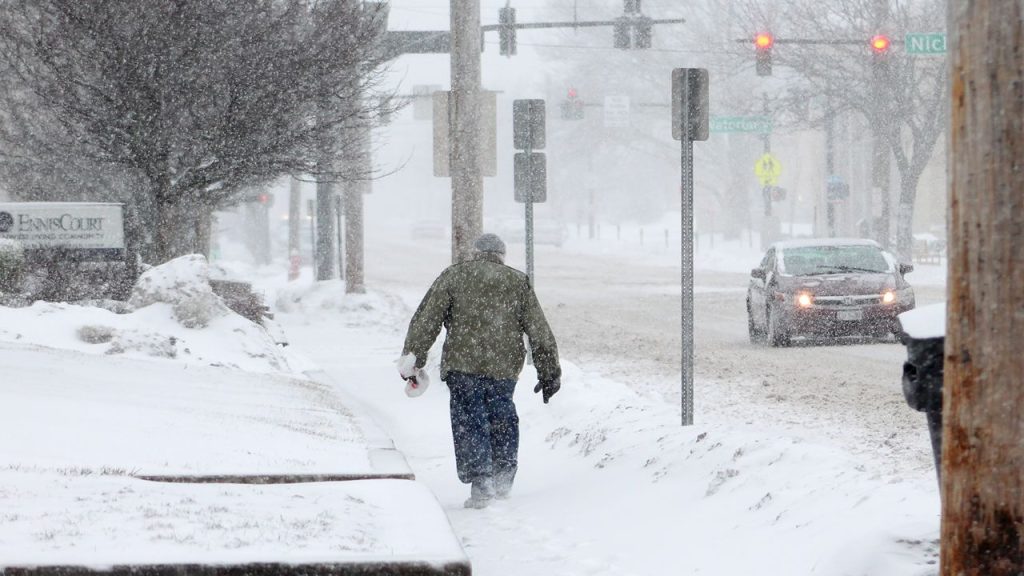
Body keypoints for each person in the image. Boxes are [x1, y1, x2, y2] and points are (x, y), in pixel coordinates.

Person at [399, 233, 562, 509]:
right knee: (502, 416)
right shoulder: (516, 281)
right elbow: (539, 331)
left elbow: (427, 319)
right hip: (503, 366)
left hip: (463, 364)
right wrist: (549, 372)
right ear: (501, 255)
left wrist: (414, 358)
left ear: (475, 253)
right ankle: (503, 474)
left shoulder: (454, 276)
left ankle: (481, 481)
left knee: (469, 419)